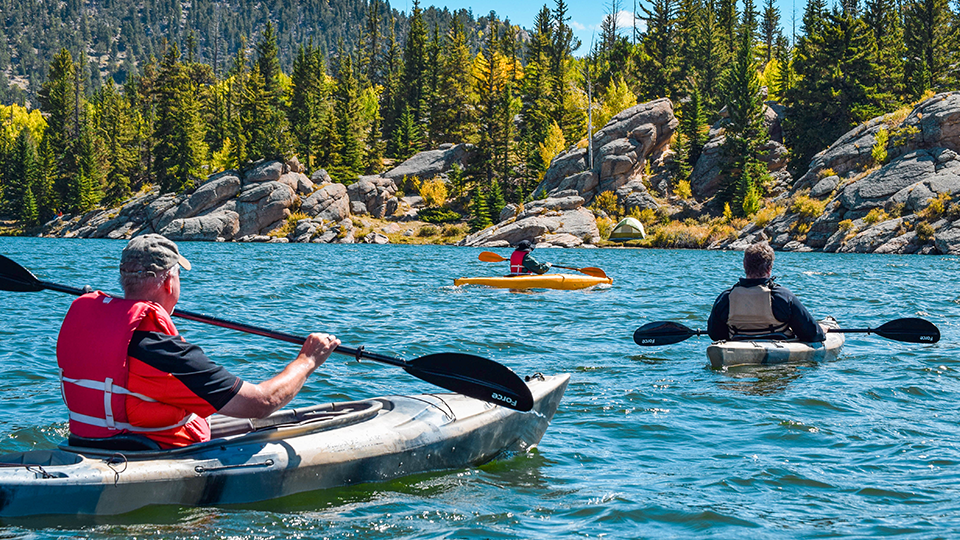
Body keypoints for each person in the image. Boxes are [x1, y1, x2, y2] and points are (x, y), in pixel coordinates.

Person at [56, 234, 340, 449]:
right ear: (169, 282)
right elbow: (261, 403)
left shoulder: (87, 332)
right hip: (150, 454)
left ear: (123, 280)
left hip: (89, 444)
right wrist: (308, 360)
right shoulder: (165, 352)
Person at [707, 241, 826, 342]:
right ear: (769, 269)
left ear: (744, 266)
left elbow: (715, 334)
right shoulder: (782, 297)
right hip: (779, 356)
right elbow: (813, 334)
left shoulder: (725, 298)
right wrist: (822, 330)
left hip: (739, 350)